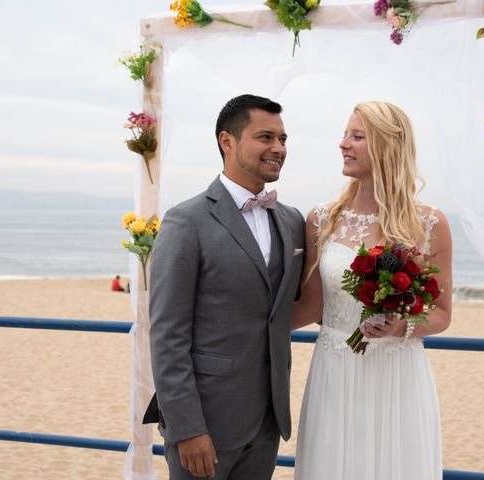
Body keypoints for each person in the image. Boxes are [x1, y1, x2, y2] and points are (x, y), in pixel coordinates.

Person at [147, 94, 306, 480]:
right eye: (265, 137)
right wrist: (187, 429)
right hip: (206, 425)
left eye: (283, 139)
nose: (278, 148)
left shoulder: (291, 220)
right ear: (227, 141)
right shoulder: (186, 221)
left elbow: (287, 307)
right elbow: (167, 335)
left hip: (268, 423)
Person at [292, 101, 453, 479]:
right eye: (346, 134)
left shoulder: (429, 223)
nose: (342, 144)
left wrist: (401, 326)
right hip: (334, 370)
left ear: (386, 146)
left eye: (356, 136)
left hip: (397, 375)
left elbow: (442, 314)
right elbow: (311, 306)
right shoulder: (321, 219)